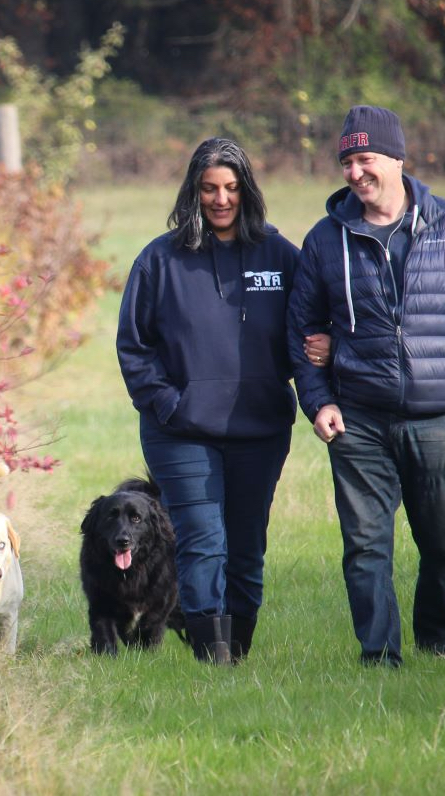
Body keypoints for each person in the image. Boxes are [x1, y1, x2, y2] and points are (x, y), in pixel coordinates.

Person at [287, 104, 445, 668]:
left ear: (396, 157)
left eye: (365, 158)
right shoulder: (325, 240)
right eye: (346, 161)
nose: (354, 171)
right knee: (366, 546)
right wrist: (317, 400)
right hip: (357, 418)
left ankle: (438, 641)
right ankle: (379, 656)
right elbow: (301, 329)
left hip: (437, 417)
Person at [117, 138, 328, 664]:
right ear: (193, 191)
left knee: (246, 547)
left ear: (247, 191)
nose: (220, 199)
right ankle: (213, 661)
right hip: (180, 432)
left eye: (231, 188)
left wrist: (325, 344)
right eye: (209, 188)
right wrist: (170, 405)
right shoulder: (158, 261)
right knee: (203, 540)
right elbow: (133, 347)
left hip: (260, 430)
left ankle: (237, 652)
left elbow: (312, 325)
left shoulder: (281, 257)